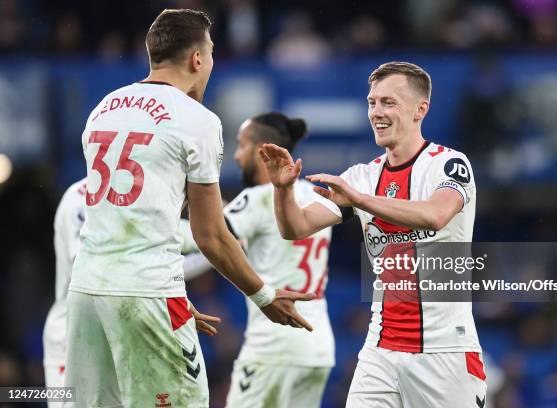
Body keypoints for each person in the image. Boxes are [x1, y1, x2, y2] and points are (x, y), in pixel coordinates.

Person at [65, 9, 314, 408]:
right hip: (145, 291)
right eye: (211, 53)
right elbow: (211, 236)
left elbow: (128, 217)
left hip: (86, 295)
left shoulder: (102, 109)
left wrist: (171, 293)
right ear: (197, 59)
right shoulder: (197, 119)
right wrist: (265, 296)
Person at [260, 61, 487, 407]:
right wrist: (282, 189)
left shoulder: (448, 164)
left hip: (445, 352)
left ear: (419, 110)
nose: (376, 112)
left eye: (388, 102)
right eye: (372, 102)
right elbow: (295, 227)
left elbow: (437, 215)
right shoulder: (362, 176)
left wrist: (359, 200)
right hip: (380, 351)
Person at [42, 177, 212, 406]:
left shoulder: (135, 196)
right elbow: (89, 267)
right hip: (72, 337)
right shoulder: (79, 198)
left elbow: (196, 240)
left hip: (124, 328)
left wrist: (227, 238)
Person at [223, 113, 334, 407]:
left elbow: (207, 239)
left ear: (261, 150)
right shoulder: (315, 196)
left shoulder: (260, 197)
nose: (236, 155)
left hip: (272, 347)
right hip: (318, 346)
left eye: (241, 145)